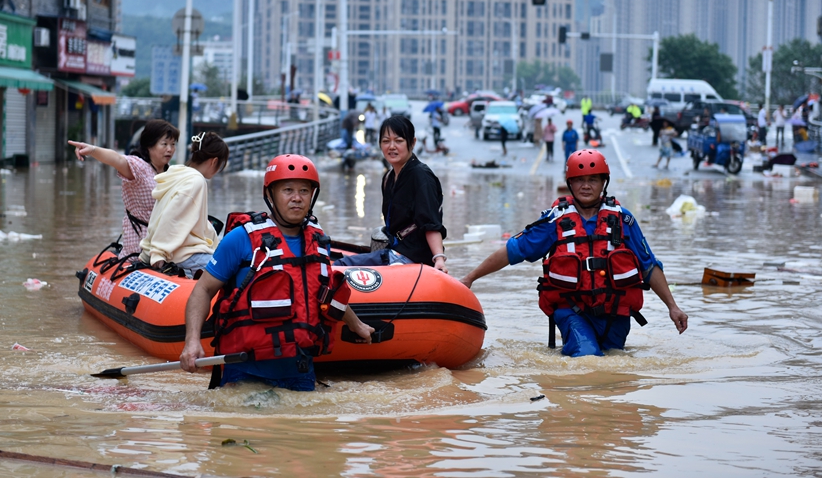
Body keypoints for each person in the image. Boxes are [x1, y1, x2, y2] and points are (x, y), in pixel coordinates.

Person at [460, 149, 688, 357]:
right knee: (587, 356)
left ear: (603, 183)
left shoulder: (623, 219)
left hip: (615, 312)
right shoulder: (555, 220)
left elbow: (648, 266)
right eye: (579, 180)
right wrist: (470, 278)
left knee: (613, 365)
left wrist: (673, 307)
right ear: (570, 184)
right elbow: (511, 252)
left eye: (592, 180)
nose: (585, 186)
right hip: (572, 311)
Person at [179, 155, 374, 390]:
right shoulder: (241, 239)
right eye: (288, 190)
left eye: (304, 190)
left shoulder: (319, 240)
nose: (297, 198)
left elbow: (323, 294)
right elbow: (203, 289)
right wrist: (192, 342)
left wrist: (357, 325)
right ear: (270, 195)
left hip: (300, 371)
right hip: (246, 370)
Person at [333, 115, 448, 273]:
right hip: (395, 249)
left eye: (399, 141)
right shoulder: (388, 177)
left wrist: (439, 258)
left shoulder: (421, 176)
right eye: (386, 141)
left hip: (411, 257)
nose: (391, 146)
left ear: (412, 143)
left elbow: (430, 222)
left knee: (340, 266)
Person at [68, 119, 179, 258]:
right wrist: (93, 150)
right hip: (140, 246)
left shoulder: (173, 173)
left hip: (166, 245)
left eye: (173, 144)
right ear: (149, 145)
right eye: (164, 144)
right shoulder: (138, 167)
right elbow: (117, 159)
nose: (170, 149)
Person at [138, 132, 229, 278]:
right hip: (183, 255)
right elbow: (171, 216)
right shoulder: (196, 181)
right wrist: (158, 253)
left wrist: (149, 251)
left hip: (169, 249)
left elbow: (169, 214)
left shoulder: (178, 173)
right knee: (232, 269)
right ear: (214, 161)